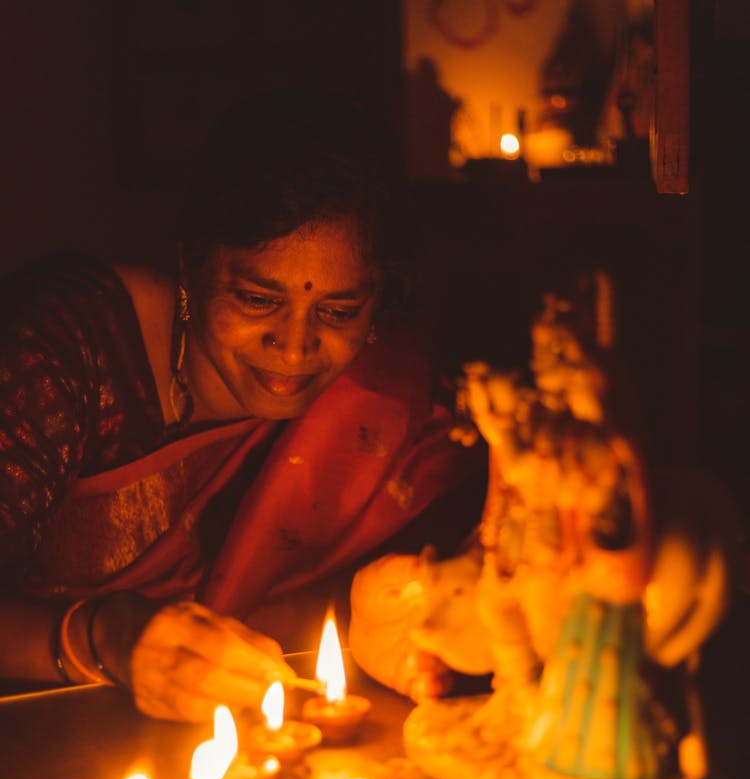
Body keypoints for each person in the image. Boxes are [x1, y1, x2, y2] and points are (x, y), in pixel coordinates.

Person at [0, 88, 482, 720]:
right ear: (191, 265)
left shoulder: (382, 401)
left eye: (338, 311)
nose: (294, 345)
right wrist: (97, 636)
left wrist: (381, 623)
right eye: (257, 299)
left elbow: (341, 603)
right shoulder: (64, 349)